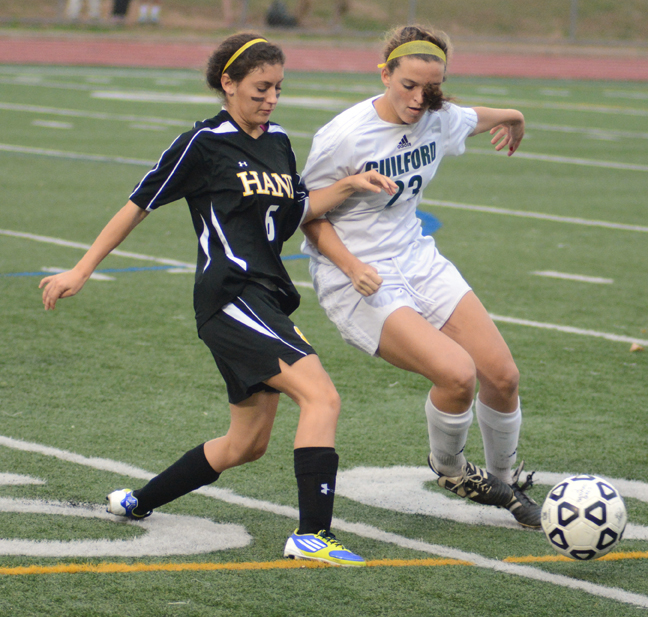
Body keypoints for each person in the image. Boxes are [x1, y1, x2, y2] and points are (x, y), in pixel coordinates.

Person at [39, 32, 396, 566]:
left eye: (278, 87)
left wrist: (349, 186)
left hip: (268, 296)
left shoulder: (277, 142)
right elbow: (137, 205)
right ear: (226, 84)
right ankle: (312, 536)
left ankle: (138, 501)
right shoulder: (201, 145)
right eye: (259, 88)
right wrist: (81, 269)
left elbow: (295, 211)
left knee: (246, 444)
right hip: (229, 295)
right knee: (322, 397)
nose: (271, 98)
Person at [300, 24, 542, 528]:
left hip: (417, 258)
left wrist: (516, 118)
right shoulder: (344, 136)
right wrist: (350, 266)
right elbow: (306, 215)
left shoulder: (439, 116)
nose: (418, 97)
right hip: (356, 274)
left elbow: (479, 116)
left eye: (429, 88)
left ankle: (505, 478)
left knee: (502, 376)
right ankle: (450, 467)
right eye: (407, 84)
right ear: (385, 74)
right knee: (456, 375)